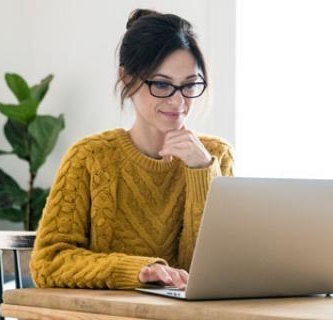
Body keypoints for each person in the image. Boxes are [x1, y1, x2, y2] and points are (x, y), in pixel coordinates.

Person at [29, 9, 234, 290]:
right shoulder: (90, 157)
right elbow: (48, 262)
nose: (178, 101)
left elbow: (217, 270)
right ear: (127, 79)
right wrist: (137, 271)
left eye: (189, 85)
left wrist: (201, 173)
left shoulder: (215, 157)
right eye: (162, 85)